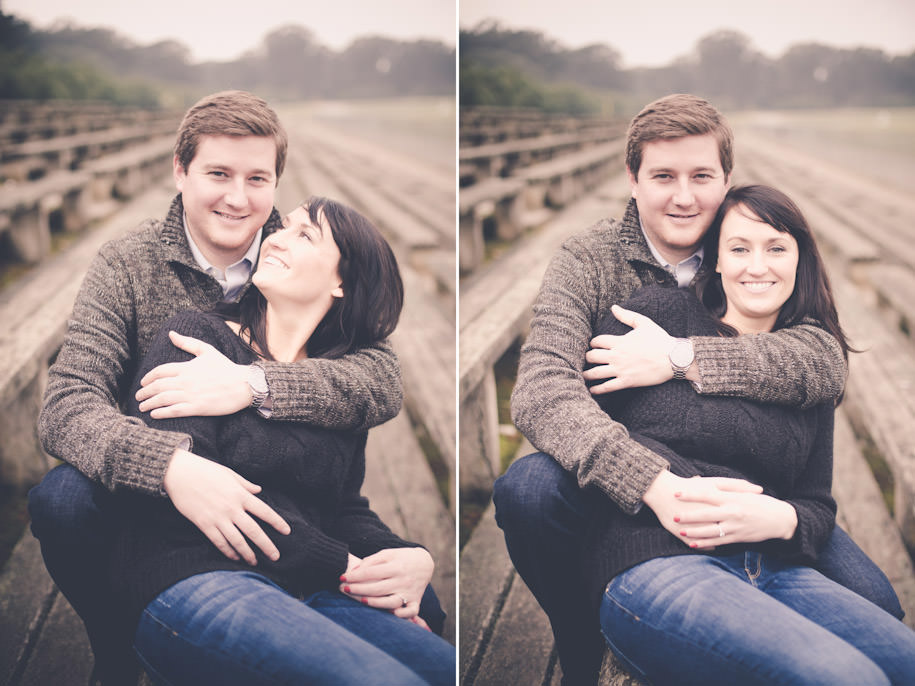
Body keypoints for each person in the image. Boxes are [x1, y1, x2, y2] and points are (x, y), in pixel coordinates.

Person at [28, 91, 442, 685]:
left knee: (425, 634)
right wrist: (169, 466)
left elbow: (379, 378)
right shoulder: (128, 265)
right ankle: (118, 646)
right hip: (160, 501)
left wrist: (252, 384)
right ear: (180, 171)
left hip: (281, 520)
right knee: (63, 498)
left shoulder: (296, 258)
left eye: (258, 178)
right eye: (217, 174)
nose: (239, 198)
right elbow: (68, 405)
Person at [493, 94, 902, 684]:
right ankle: (583, 639)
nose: (684, 197)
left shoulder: (745, 245)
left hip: (754, 500)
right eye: (663, 176)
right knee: (530, 488)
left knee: (880, 608)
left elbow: (819, 359)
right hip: (637, 492)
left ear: (726, 179)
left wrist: (679, 357)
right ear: (632, 179)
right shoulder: (590, 260)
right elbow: (540, 390)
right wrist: (651, 483)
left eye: (701, 176)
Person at [112, 197, 454, 685]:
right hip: (194, 577)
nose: (276, 237)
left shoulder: (337, 382)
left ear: (341, 283)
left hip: (312, 584)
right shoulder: (193, 339)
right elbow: (205, 503)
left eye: (304, 234)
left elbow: (341, 507)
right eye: (284, 227)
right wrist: (343, 564)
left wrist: (408, 557)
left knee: (442, 671)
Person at [588, 184, 915, 685]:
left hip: (777, 567)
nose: (757, 266)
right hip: (658, 562)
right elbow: (586, 432)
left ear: (799, 259)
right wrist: (672, 483)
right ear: (715, 260)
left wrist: (780, 517)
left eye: (776, 248)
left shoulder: (806, 365)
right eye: (740, 248)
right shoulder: (654, 317)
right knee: (848, 677)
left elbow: (815, 506)